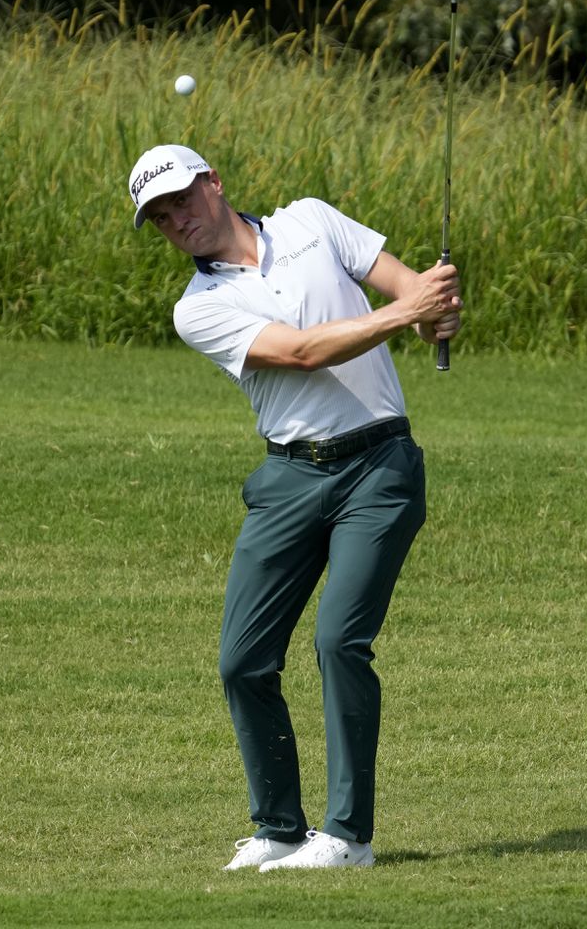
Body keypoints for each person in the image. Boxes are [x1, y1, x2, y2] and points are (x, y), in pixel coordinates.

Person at [127, 144, 462, 871]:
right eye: (159, 217)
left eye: (182, 198)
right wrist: (408, 310)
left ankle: (348, 838)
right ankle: (280, 829)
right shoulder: (199, 309)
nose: (176, 219)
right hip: (288, 480)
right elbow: (307, 352)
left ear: (214, 183)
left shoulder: (312, 221)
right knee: (242, 661)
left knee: (339, 641)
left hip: (379, 467)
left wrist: (433, 313)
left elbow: (407, 287)